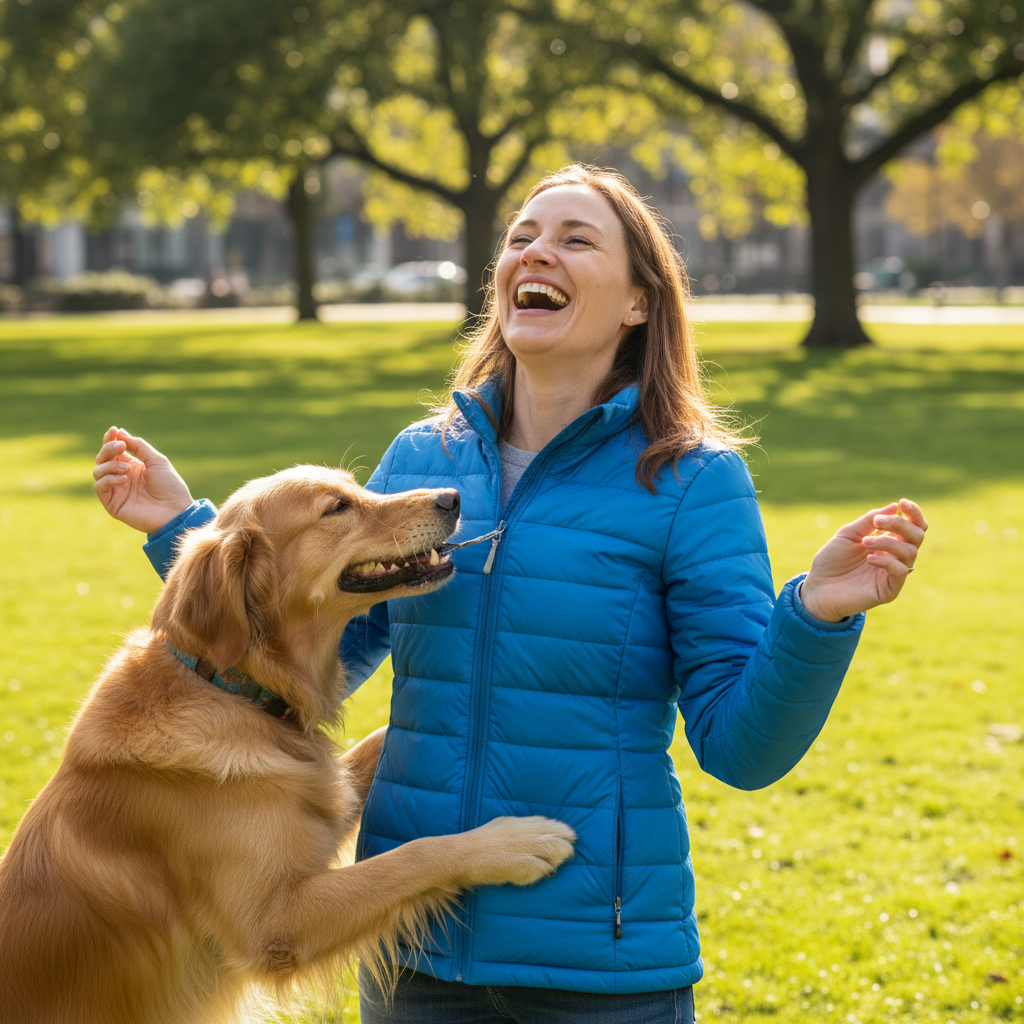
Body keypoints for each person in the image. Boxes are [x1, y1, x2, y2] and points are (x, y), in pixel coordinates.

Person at [94, 164, 927, 1024]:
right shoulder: (425, 462)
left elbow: (742, 750)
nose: (537, 253)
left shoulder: (691, 481)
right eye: (522, 237)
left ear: (639, 302)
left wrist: (816, 615)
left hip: (599, 970)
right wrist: (188, 533)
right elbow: (300, 663)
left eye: (575, 239)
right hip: (413, 959)